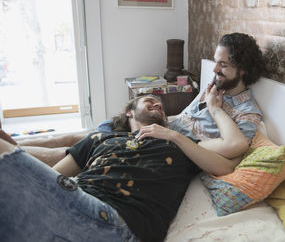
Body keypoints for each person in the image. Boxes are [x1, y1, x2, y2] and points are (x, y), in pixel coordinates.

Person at [0, 88, 248, 242]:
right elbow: (49, 181)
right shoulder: (101, 138)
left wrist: (212, 110)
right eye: (150, 100)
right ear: (130, 112)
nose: (158, 104)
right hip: (67, 209)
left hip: (114, 224)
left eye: (160, 104)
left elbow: (235, 147)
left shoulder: (181, 144)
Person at [15, 32, 267, 166]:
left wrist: (215, 109)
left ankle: (13, 158)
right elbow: (184, 118)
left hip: (166, 145)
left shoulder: (247, 112)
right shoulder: (213, 88)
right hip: (158, 130)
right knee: (85, 134)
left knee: (78, 151)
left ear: (242, 69)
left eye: (223, 65)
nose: (214, 70)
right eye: (215, 62)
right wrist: (152, 116)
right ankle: (14, 145)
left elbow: (233, 148)